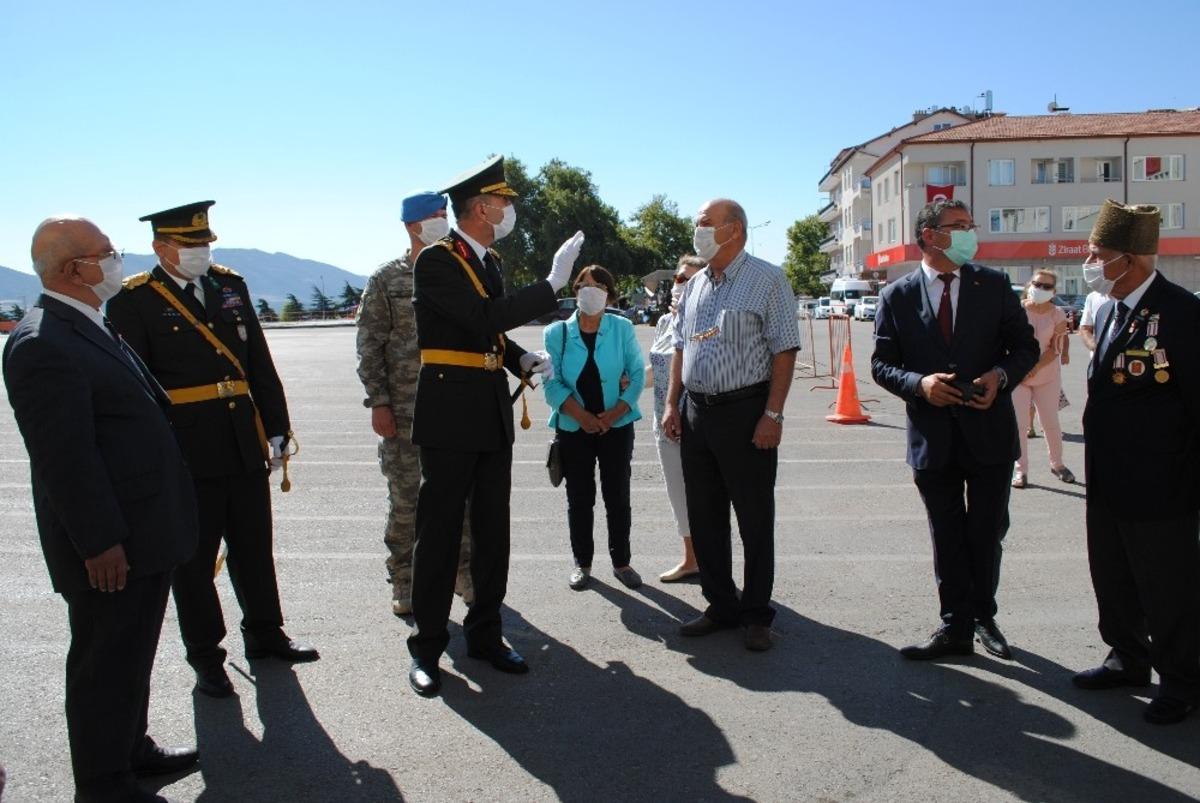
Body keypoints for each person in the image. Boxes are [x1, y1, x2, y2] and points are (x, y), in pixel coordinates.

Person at [4, 216, 199, 802]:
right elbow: (65, 459)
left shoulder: (86, 321)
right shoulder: (43, 343)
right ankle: (104, 784)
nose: (117, 261)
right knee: (104, 663)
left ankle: (131, 751)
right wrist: (99, 543)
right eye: (107, 253)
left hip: (141, 529)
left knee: (130, 654)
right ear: (74, 270)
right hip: (112, 544)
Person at [107, 201, 318, 700]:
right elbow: (136, 389)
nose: (201, 252)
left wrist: (277, 427)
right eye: (189, 245)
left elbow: (258, 361)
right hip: (185, 449)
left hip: (242, 439)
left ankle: (265, 633)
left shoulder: (229, 286)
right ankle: (206, 656)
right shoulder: (134, 299)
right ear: (161, 248)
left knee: (254, 546)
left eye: (204, 243)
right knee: (194, 561)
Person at [406, 155, 584, 696]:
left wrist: (518, 359)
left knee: (492, 531)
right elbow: (482, 317)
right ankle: (427, 647)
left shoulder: (488, 261)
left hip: (487, 409)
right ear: (482, 208)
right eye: (503, 202)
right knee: (439, 534)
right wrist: (552, 283)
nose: (509, 210)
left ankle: (485, 634)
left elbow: (488, 334)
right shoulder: (436, 261)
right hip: (448, 413)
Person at [870, 200, 1038, 661]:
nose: (969, 233)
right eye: (958, 226)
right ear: (930, 235)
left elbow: (1025, 348)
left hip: (989, 434)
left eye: (970, 225)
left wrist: (1000, 377)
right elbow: (882, 365)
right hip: (933, 439)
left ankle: (984, 616)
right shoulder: (897, 295)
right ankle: (954, 626)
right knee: (946, 534)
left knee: (986, 533)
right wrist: (919, 385)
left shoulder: (994, 285)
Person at [1072, 199, 1200, 725]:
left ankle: (1183, 681)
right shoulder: (1108, 309)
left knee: (1168, 587)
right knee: (1113, 575)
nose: (1090, 263)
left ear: (1131, 258)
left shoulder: (1183, 313)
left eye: (1097, 254)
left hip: (1162, 483)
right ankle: (1127, 657)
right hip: (1107, 478)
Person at [661, 199, 801, 652]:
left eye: (705, 223)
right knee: (705, 516)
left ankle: (757, 613)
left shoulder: (767, 279)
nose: (697, 230)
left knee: (754, 518)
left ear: (734, 229)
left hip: (746, 412)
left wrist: (773, 414)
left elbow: (785, 349)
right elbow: (680, 347)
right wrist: (672, 404)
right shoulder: (696, 285)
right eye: (697, 224)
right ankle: (721, 604)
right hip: (697, 412)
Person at [355, 191, 472, 617]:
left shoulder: (460, 271)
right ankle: (404, 579)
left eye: (444, 214)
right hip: (405, 411)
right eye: (434, 216)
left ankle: (462, 571)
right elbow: (369, 345)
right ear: (411, 225)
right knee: (406, 500)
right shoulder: (388, 279)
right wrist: (379, 402)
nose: (443, 221)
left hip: (454, 408)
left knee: (460, 497)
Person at [543, 265, 645, 591]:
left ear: (609, 294)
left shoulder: (622, 328)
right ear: (575, 291)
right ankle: (582, 563)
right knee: (579, 498)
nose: (591, 290)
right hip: (574, 428)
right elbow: (551, 384)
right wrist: (583, 417)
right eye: (584, 284)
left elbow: (637, 375)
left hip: (617, 426)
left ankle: (622, 562)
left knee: (618, 496)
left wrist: (613, 414)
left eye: (599, 285)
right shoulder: (556, 333)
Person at [649, 256, 704, 582]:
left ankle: (712, 562)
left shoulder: (705, 322)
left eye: (689, 280)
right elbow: (659, 370)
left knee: (704, 496)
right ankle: (691, 559)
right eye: (679, 278)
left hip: (695, 423)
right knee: (677, 494)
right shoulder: (663, 323)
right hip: (663, 423)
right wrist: (621, 380)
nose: (679, 285)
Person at [1011, 270, 1074, 488]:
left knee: (1050, 423)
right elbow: (1006, 342)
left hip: (1046, 375)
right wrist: (1020, 367)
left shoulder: (1058, 314)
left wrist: (1035, 367)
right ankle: (1021, 471)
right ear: (1030, 285)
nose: (1040, 289)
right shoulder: (1016, 310)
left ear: (1054, 292)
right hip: (1018, 376)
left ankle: (1058, 464)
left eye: (1047, 287)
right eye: (1037, 284)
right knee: (1020, 426)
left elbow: (1055, 348)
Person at [1078, 288, 1110, 357]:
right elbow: (1085, 329)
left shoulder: (1132, 295)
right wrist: (1096, 348)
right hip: (1099, 358)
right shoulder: (1093, 297)